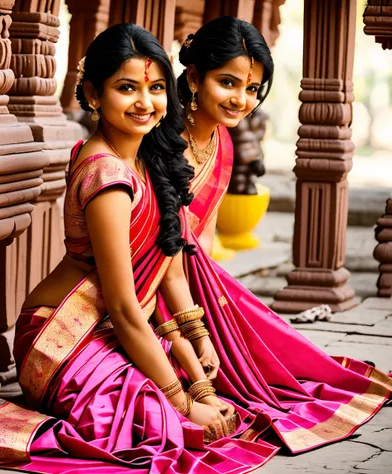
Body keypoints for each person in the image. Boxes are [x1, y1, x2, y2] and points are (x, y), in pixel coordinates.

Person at [0, 23, 279, 473]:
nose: (145, 103)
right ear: (93, 94)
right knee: (156, 426)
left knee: (216, 390)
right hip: (63, 337)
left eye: (155, 88)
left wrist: (197, 347)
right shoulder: (106, 175)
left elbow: (167, 268)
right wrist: (184, 405)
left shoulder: (148, 156)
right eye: (126, 88)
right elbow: (127, 307)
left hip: (114, 327)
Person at [158, 15, 392, 455]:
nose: (241, 100)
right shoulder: (159, 141)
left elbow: (203, 243)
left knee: (269, 357)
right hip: (144, 283)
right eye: (228, 83)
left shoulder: (223, 144)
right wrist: (193, 328)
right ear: (193, 77)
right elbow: (157, 249)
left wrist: (213, 312)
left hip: (191, 281)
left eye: (251, 89)